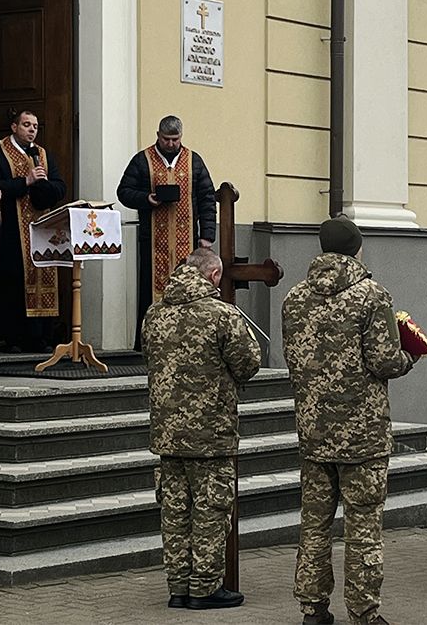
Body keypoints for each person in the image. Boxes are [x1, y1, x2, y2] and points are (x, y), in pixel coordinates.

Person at [282, 216, 420, 625]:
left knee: (314, 523)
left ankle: (313, 609)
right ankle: (363, 611)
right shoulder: (371, 295)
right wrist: (411, 354)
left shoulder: (294, 297)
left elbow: (295, 359)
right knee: (362, 524)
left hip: (314, 427)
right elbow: (383, 361)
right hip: (362, 431)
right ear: (357, 248)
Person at [143, 248, 261, 610]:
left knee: (175, 511)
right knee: (210, 510)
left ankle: (178, 587)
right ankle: (205, 588)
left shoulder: (154, 313)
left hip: (166, 432)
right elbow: (248, 364)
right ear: (213, 277)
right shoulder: (222, 316)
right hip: (210, 434)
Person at [117, 115, 217, 349]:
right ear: (158, 136)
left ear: (181, 137)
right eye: (166, 139)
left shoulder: (194, 161)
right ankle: (148, 343)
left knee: (187, 288)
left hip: (187, 241)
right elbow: (124, 191)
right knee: (150, 293)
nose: (171, 144)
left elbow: (207, 198)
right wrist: (146, 198)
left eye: (175, 139)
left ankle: (184, 340)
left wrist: (207, 235)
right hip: (152, 242)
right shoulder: (143, 160)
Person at [0, 109, 67, 353]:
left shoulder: (43, 155)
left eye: (35, 126)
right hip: (10, 228)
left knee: (43, 276)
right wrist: (25, 182)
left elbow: (60, 186)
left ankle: (41, 337)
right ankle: (13, 337)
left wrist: (43, 185)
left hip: (42, 229)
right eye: (26, 125)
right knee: (13, 281)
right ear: (14, 127)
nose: (32, 130)